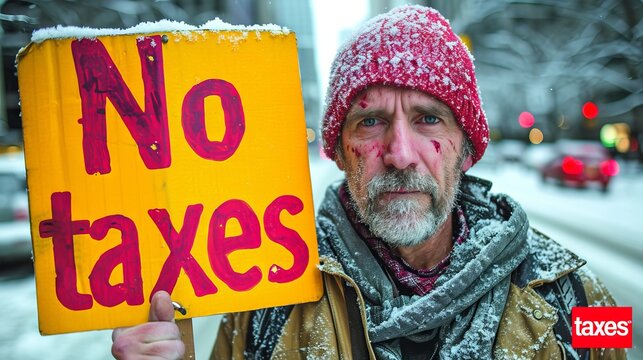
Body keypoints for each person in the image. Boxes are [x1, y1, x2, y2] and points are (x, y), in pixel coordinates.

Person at [112, 5, 625, 360]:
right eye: (371, 122)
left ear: (467, 149)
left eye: (428, 119)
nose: (400, 155)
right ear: (337, 151)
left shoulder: (580, 299)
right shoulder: (266, 306)